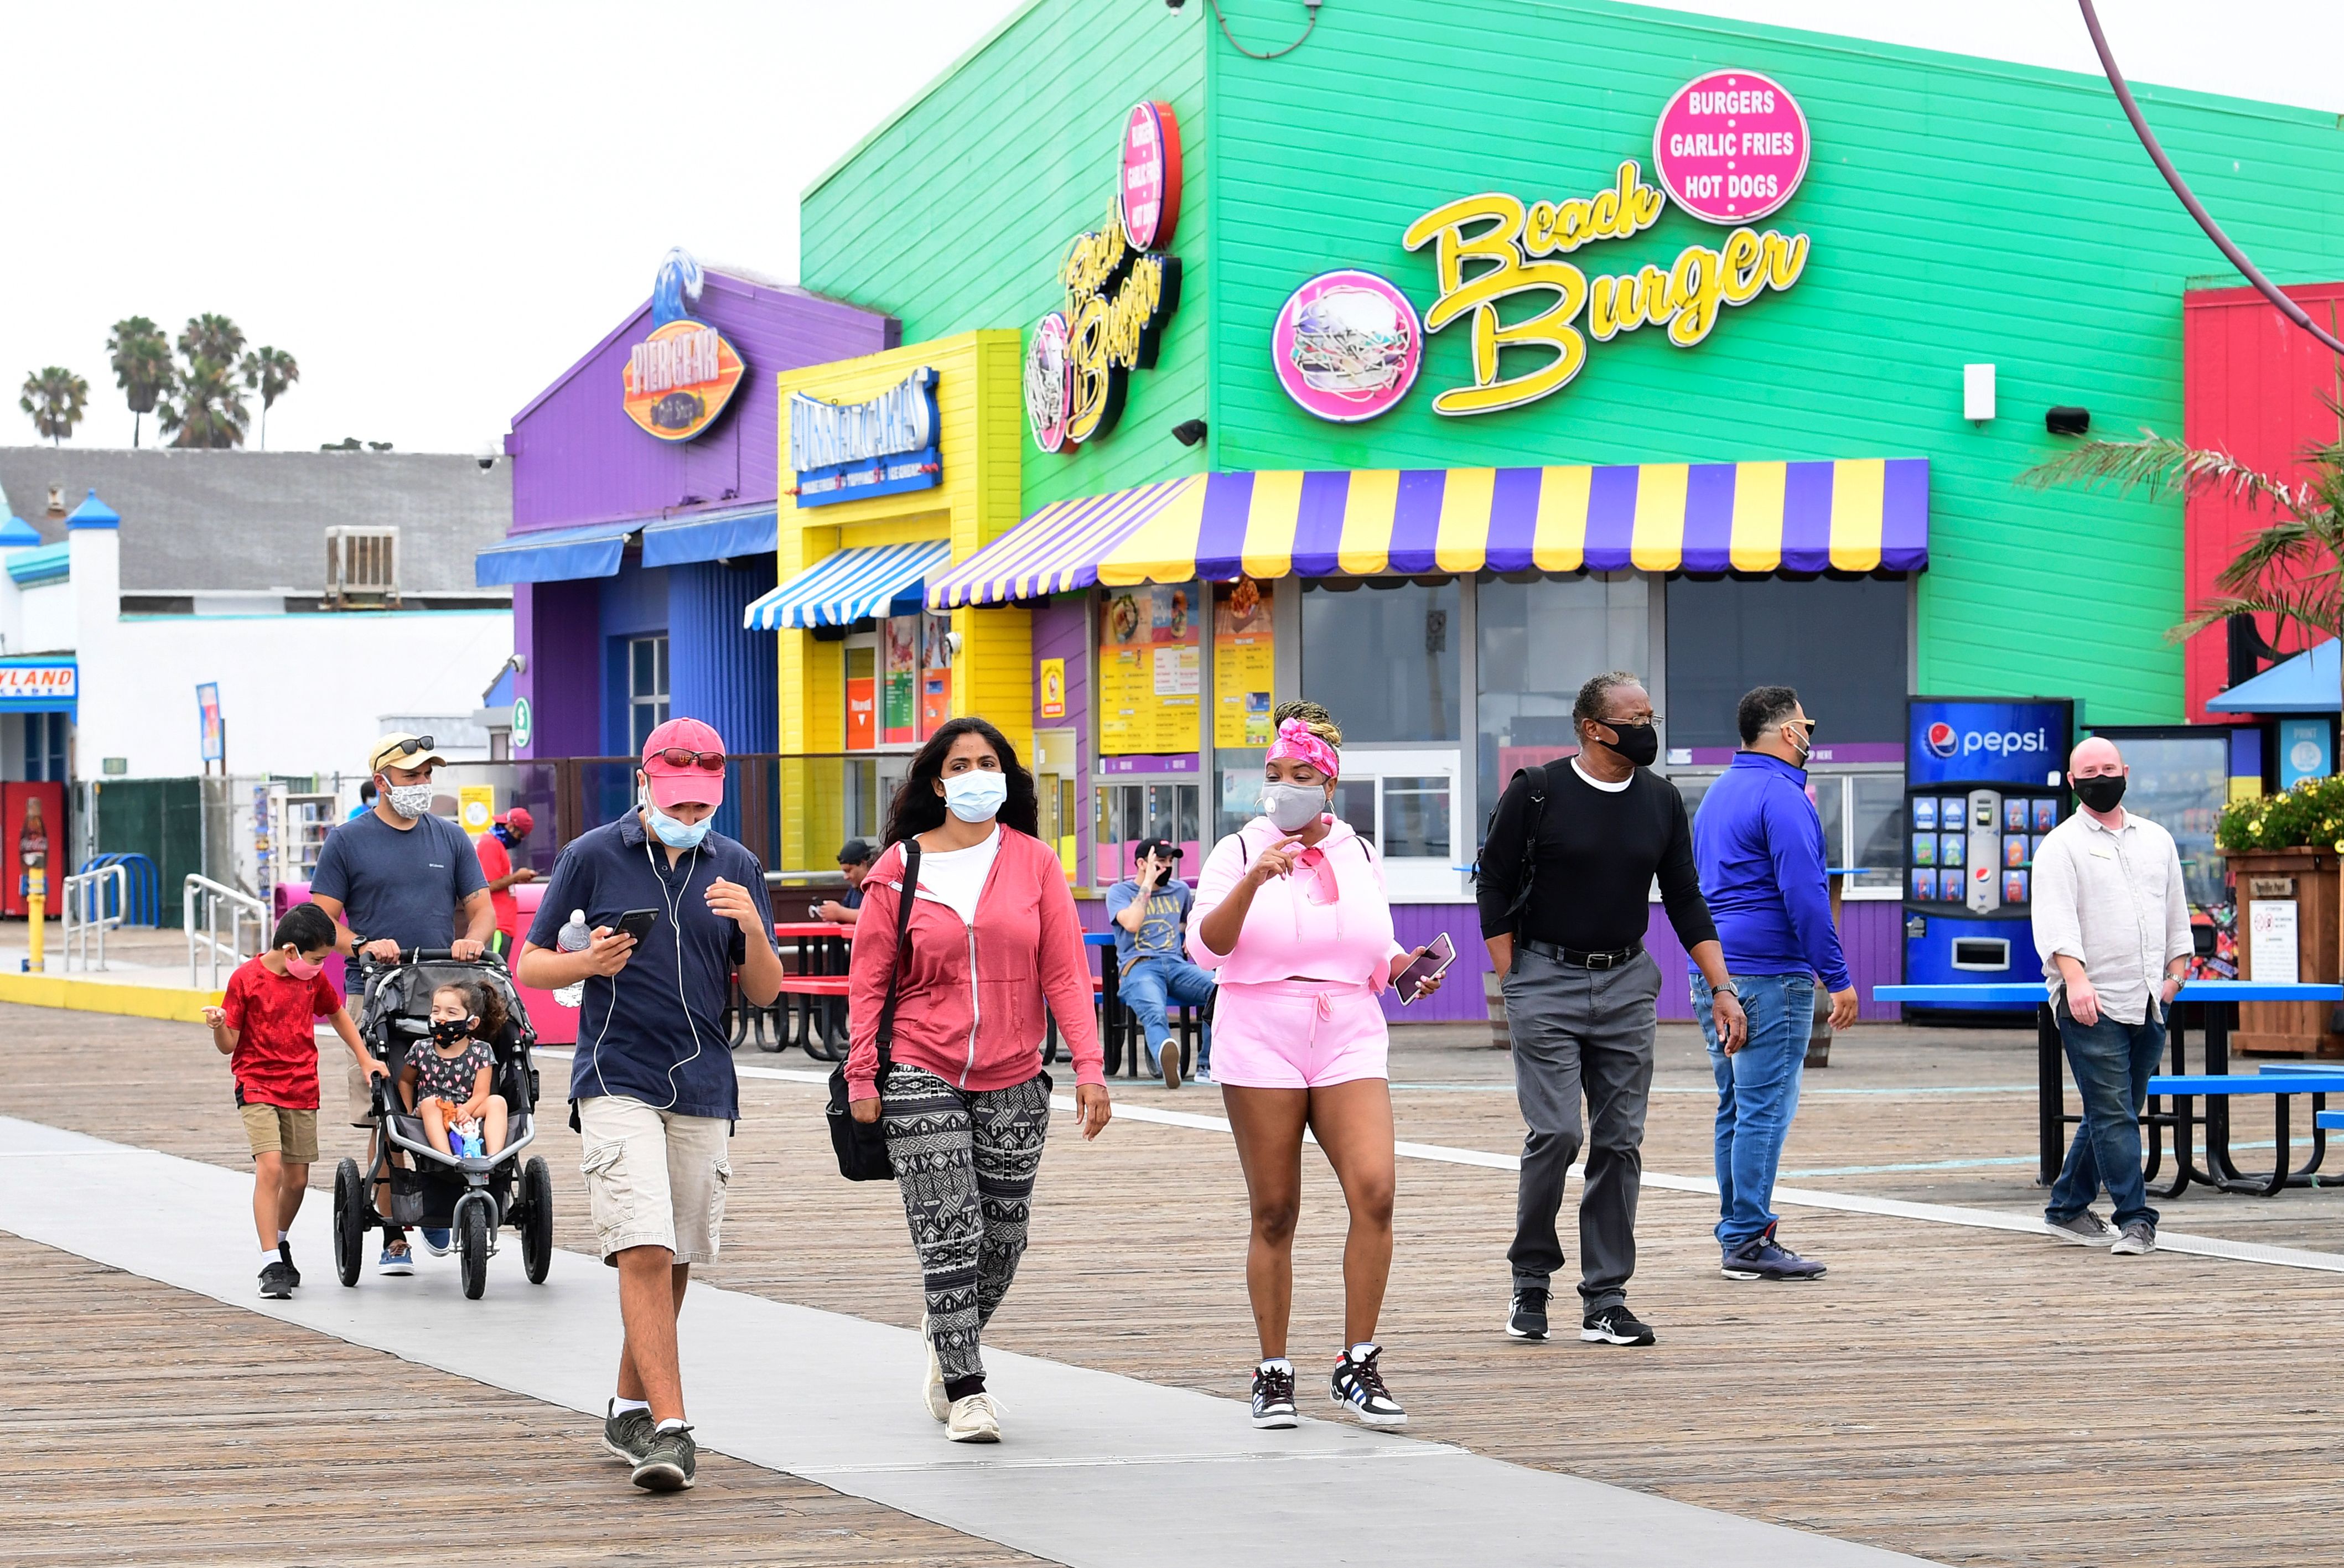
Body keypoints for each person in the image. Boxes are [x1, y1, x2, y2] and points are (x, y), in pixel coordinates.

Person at [516, 716, 783, 1493]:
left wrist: (754, 929)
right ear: (645, 782)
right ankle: (673, 1429)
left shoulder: (736, 866)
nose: (691, 817)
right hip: (614, 1073)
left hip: (705, 1082)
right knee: (642, 1243)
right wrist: (587, 960)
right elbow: (530, 962)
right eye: (679, 802)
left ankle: (628, 1406)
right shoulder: (590, 855)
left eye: (704, 806)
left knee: (676, 1252)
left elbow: (764, 990)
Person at [846, 717, 1110, 1446]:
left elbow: (1063, 970)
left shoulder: (1033, 863)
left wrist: (1090, 1067)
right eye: (959, 764)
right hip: (919, 1068)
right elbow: (868, 983)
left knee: (1004, 1239)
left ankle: (945, 1327)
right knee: (949, 1233)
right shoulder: (899, 869)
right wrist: (863, 1070)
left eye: (986, 761)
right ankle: (967, 1387)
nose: (974, 775)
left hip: (1017, 1076)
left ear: (1005, 773)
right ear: (938, 781)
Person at [1190, 702, 1443, 1432]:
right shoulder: (1238, 850)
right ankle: (1273, 1370)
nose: (1284, 787)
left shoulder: (1359, 852)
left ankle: (1356, 1362)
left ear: (1328, 782)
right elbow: (1207, 949)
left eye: (1301, 774)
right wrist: (1255, 881)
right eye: (1274, 774)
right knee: (1275, 1209)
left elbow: (1374, 949)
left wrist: (1406, 970)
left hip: (1347, 1032)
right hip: (1260, 1030)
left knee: (1376, 1189)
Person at [1478, 671, 1746, 1349]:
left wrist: (1721, 985)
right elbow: (1495, 882)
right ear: (1595, 728)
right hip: (1545, 980)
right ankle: (1530, 1278)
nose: (1648, 726)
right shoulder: (1537, 791)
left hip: (1627, 983)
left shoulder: (1660, 799)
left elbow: (1684, 896)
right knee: (1558, 1134)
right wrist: (1515, 977)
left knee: (1620, 1141)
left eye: (1651, 713)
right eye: (1636, 715)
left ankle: (1605, 1296)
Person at [1689, 686, 1860, 1283]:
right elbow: (1807, 895)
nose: (1810, 734)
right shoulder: (1783, 795)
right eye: (1806, 723)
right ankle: (1747, 1237)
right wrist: (1836, 977)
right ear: (1789, 732)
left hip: (1715, 975)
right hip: (1768, 975)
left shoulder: (1718, 793)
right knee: (1763, 1108)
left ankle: (1739, 1229)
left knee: (1736, 1105)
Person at [309, 733, 495, 1275]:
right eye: (412, 775)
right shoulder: (347, 841)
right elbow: (323, 920)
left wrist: (475, 939)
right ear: (383, 779)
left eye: (426, 775)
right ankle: (395, 1232)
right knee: (385, 1112)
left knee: (452, 1090)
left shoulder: (452, 838)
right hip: (375, 994)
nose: (422, 784)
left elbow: (480, 908)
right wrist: (363, 943)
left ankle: (444, 1199)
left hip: (443, 991)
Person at [2031, 735, 2191, 1258]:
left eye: (2108, 768)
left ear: (2125, 771)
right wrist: (2075, 981)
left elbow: (2175, 912)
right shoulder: (2059, 845)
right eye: (2088, 771)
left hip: (2149, 996)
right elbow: (2055, 923)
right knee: (2116, 1110)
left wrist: (2176, 976)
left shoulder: (2158, 840)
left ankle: (2066, 1207)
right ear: (2073, 782)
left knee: (2114, 1108)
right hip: (2089, 1001)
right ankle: (2137, 1219)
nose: (2101, 777)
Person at [200, 902, 383, 1300]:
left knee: (298, 1179)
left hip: (301, 1086)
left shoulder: (312, 981)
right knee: (271, 1170)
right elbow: (229, 1045)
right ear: (290, 952)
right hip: (257, 1085)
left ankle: (280, 1242)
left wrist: (366, 1057)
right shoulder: (246, 980)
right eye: (317, 959)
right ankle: (270, 1264)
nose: (320, 967)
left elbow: (338, 1014)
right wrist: (217, 1027)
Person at [1108, 837, 1218, 1088]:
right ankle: (1168, 1064)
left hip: (1176, 965)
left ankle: (1207, 1066)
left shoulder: (1180, 891)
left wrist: (1191, 933)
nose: (1167, 867)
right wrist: (1148, 883)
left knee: (1221, 989)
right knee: (1155, 1011)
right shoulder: (1119, 892)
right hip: (1139, 967)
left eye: (1170, 862)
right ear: (1141, 863)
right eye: (1160, 862)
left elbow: (1186, 921)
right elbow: (1132, 923)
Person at [400, 980, 510, 1157]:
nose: (441, 1017)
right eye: (436, 1011)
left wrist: (464, 1111)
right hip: (434, 1110)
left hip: (468, 1108)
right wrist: (406, 1111)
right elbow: (406, 1081)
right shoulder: (421, 1049)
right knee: (429, 1103)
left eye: (451, 1012)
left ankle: (493, 1157)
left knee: (497, 1102)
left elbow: (482, 1094)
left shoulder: (481, 1051)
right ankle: (447, 1157)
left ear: (471, 1023)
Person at [472, 807, 538, 957]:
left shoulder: (495, 844)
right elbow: (488, 885)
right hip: (497, 923)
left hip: (501, 924)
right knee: (492, 974)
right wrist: (516, 877)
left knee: (496, 973)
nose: (519, 840)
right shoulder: (491, 844)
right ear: (510, 826)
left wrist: (516, 878)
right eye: (519, 835)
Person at [815, 838, 874, 924]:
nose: (846, 877)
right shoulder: (854, 889)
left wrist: (840, 913)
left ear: (863, 864)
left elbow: (875, 917)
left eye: (849, 871)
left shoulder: (878, 887)